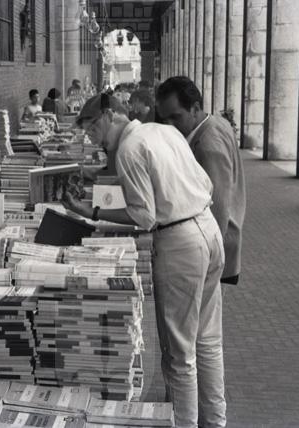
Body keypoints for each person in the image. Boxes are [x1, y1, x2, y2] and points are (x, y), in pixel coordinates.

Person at [67, 93, 226, 427]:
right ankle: (215, 421)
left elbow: (144, 216)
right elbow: (205, 183)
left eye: (92, 127)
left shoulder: (129, 148)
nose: (91, 137)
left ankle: (184, 423)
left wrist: (93, 212)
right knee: (208, 341)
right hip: (208, 228)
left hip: (179, 242)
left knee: (179, 354)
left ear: (109, 116)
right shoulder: (164, 131)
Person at [156, 76, 246, 286]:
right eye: (164, 120)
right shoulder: (214, 123)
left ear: (195, 108)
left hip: (213, 251)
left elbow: (217, 208)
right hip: (218, 245)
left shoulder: (208, 145)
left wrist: (204, 259)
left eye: (176, 117)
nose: (169, 126)